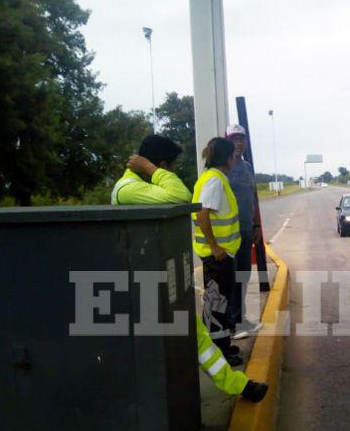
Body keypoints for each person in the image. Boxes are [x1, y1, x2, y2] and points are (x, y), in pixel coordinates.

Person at [112, 134, 268, 403]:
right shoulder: (127, 189)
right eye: (169, 167)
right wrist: (152, 170)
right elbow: (182, 197)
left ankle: (241, 386)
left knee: (200, 341)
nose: (170, 172)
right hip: (140, 290)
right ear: (160, 164)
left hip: (163, 284)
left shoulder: (144, 188)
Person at [192, 137, 244, 364]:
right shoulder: (214, 181)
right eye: (233, 154)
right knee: (216, 305)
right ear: (227, 157)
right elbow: (203, 213)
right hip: (217, 256)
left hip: (222, 254)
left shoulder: (213, 178)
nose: (235, 158)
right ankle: (217, 354)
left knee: (220, 303)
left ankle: (223, 346)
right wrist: (215, 247)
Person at [225, 124, 264, 339]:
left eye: (241, 139)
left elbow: (254, 198)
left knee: (244, 276)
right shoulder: (222, 168)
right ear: (226, 141)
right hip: (230, 234)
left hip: (247, 230)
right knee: (232, 278)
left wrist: (257, 225)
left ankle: (241, 318)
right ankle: (233, 323)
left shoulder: (248, 167)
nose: (238, 143)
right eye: (234, 139)